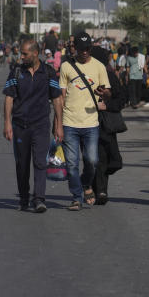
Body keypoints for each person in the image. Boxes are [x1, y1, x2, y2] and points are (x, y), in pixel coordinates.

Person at [2, 39, 63, 213]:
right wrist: (7, 123)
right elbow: (8, 98)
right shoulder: (16, 72)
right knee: (22, 164)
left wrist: (59, 124)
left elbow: (57, 98)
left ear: (35, 53)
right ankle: (23, 198)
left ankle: (39, 199)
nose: (21, 57)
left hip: (41, 125)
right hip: (20, 126)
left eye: (25, 54)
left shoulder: (49, 73)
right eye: (21, 53)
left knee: (40, 162)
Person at [54, 32, 110, 211]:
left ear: (90, 48)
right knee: (71, 164)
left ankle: (86, 184)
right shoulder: (66, 67)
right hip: (70, 122)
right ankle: (76, 197)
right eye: (81, 49)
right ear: (75, 49)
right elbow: (60, 97)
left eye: (87, 49)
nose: (84, 52)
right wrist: (58, 123)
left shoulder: (99, 67)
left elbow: (108, 91)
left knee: (92, 161)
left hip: (91, 123)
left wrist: (104, 94)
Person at [89, 46, 126, 205]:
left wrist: (107, 105)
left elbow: (122, 98)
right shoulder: (86, 76)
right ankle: (100, 191)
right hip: (88, 123)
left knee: (113, 160)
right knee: (97, 158)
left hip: (107, 124)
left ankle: (96, 186)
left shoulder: (110, 76)